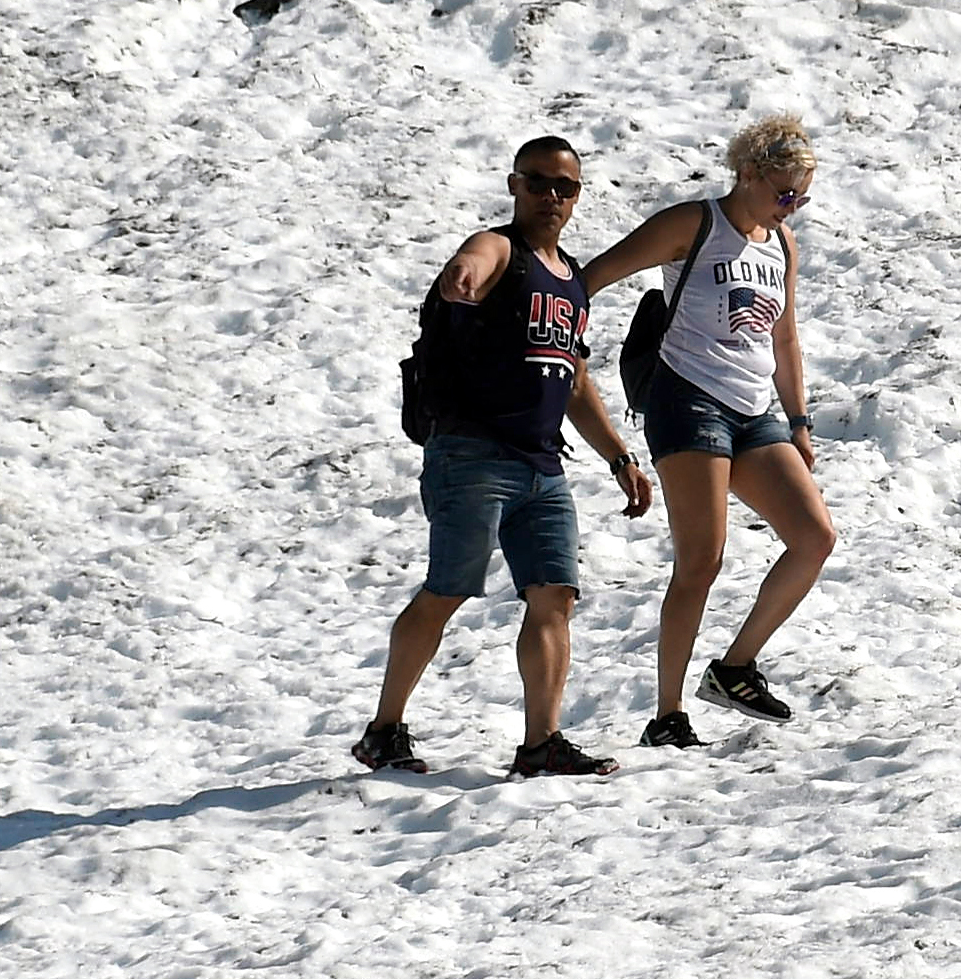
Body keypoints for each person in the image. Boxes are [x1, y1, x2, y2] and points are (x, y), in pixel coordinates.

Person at [353, 136, 655, 777]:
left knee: (554, 596)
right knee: (446, 592)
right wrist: (462, 274)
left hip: (543, 466)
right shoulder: (500, 250)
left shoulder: (572, 280)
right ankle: (385, 730)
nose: (551, 197)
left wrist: (619, 456)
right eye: (539, 183)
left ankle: (541, 743)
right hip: (472, 455)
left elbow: (572, 378)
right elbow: (473, 259)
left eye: (565, 188)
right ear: (515, 185)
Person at [580, 114, 835, 748]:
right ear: (747, 174)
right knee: (703, 558)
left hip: (755, 409)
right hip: (687, 398)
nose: (792, 209)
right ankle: (667, 716)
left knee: (814, 537)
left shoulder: (781, 245)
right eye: (783, 194)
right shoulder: (693, 224)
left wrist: (798, 419)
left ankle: (735, 667)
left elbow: (785, 336)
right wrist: (554, 340)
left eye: (802, 198)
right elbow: (591, 277)